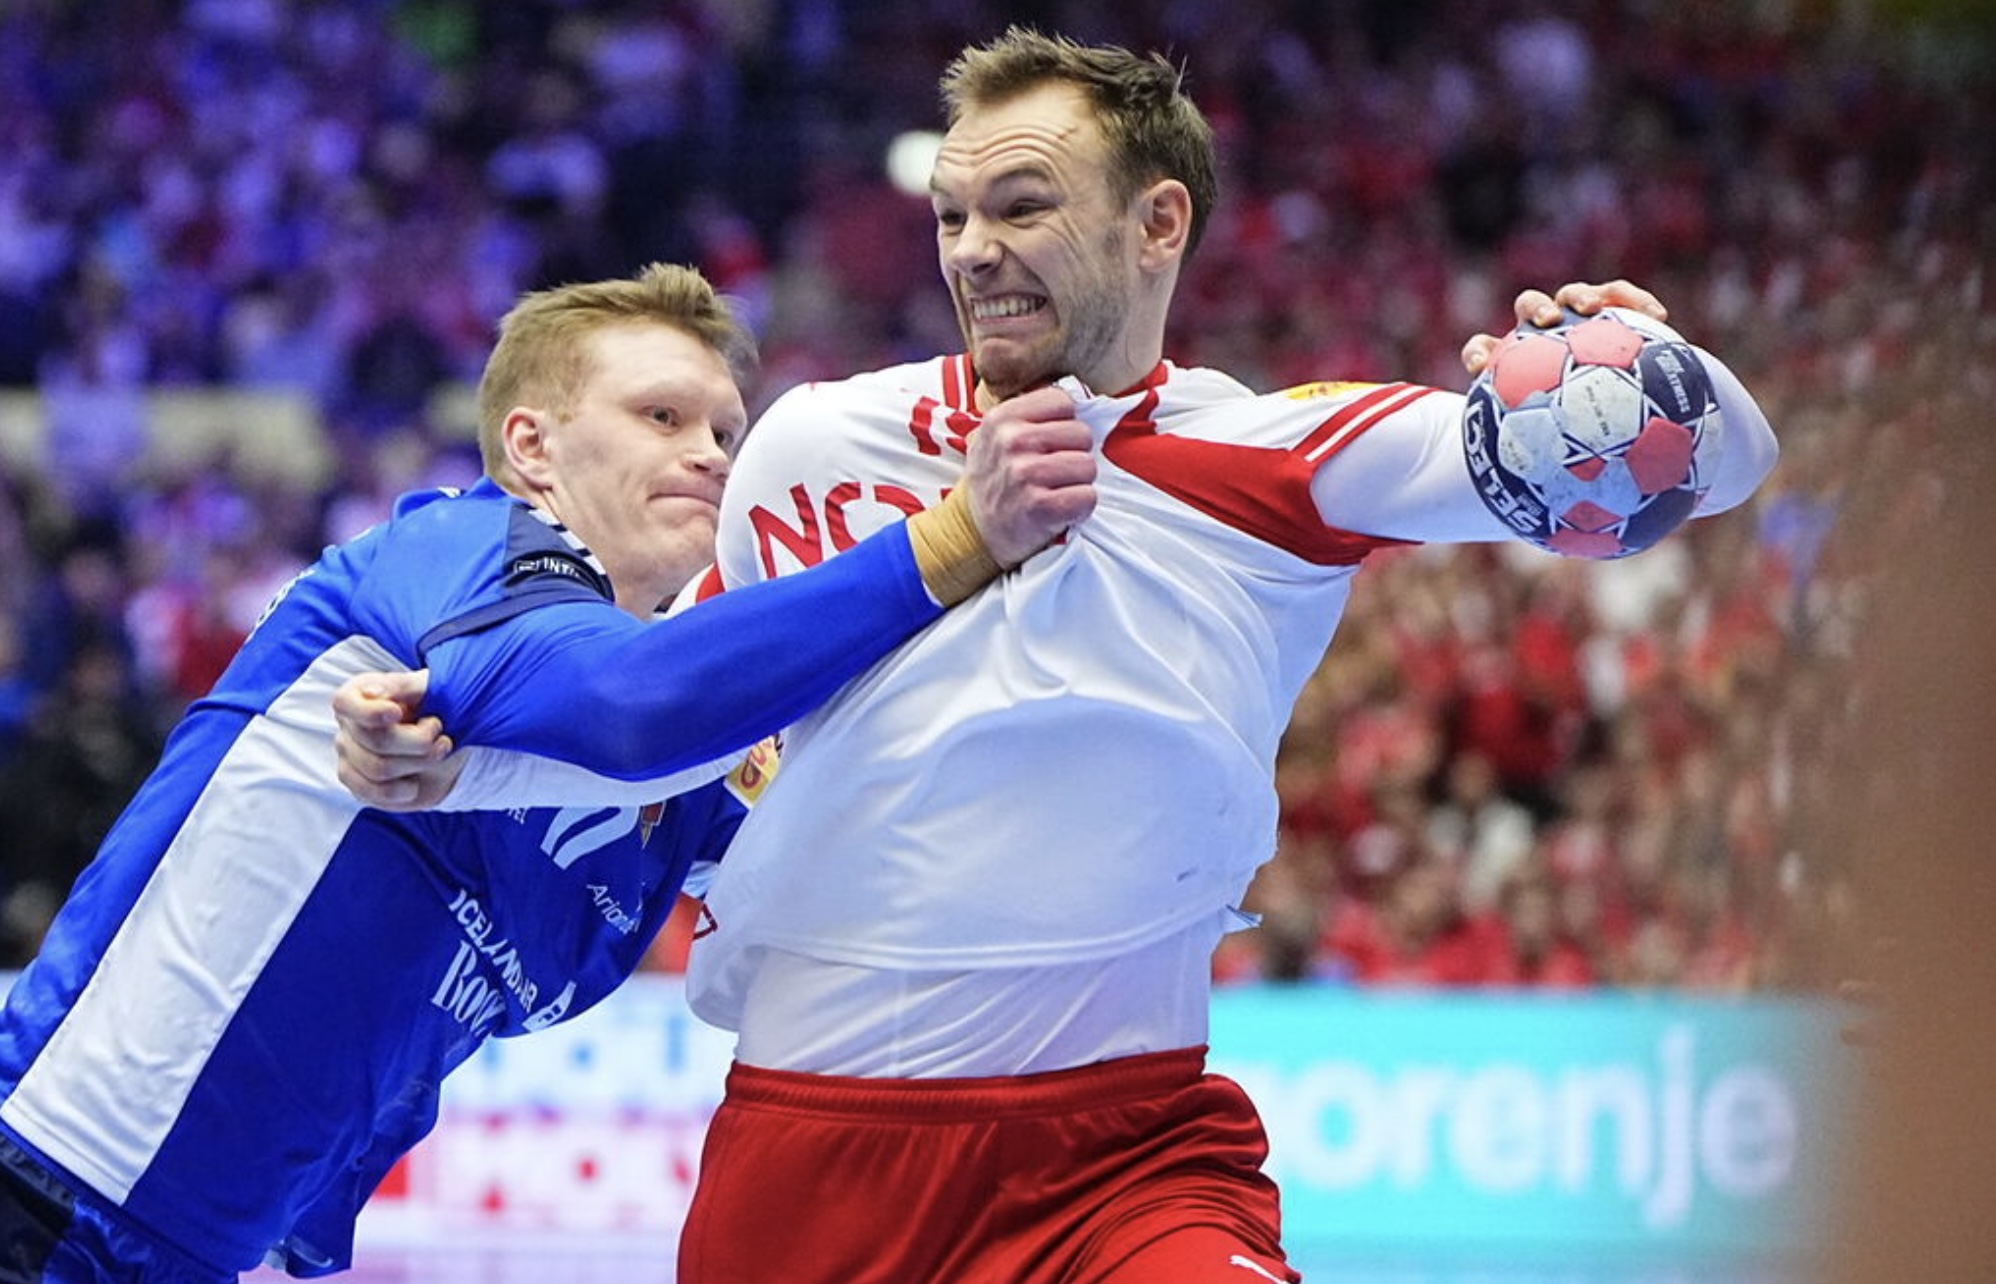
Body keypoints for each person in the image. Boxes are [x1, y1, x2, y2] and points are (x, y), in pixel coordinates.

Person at [339, 28, 1780, 1283]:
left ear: (1159, 224)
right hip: (815, 1159)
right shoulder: (816, 442)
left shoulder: (1276, 459)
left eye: (1021, 205)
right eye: (952, 214)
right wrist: (452, 762)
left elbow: (1717, 457)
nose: (973, 248)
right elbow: (686, 714)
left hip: (1125, 1163)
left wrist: (1637, 366)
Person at [0, 262, 1094, 1282]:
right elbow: (625, 705)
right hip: (47, 1190)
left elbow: (874, 860)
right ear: (532, 448)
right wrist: (953, 540)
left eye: (726, 430)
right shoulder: (460, 552)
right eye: (662, 417)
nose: (715, 455)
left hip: (187, 1251)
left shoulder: (686, 770)